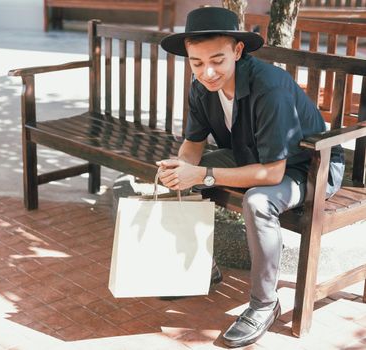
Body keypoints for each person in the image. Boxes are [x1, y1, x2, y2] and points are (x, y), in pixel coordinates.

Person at [157, 7, 344, 348]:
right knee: (173, 174)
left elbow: (272, 174)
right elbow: (192, 149)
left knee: (258, 202)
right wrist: (181, 169)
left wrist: (203, 174)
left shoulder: (268, 87)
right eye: (196, 63)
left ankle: (264, 304)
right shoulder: (200, 88)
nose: (207, 72)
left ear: (238, 51)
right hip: (251, 156)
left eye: (217, 60)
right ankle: (202, 267)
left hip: (309, 166)